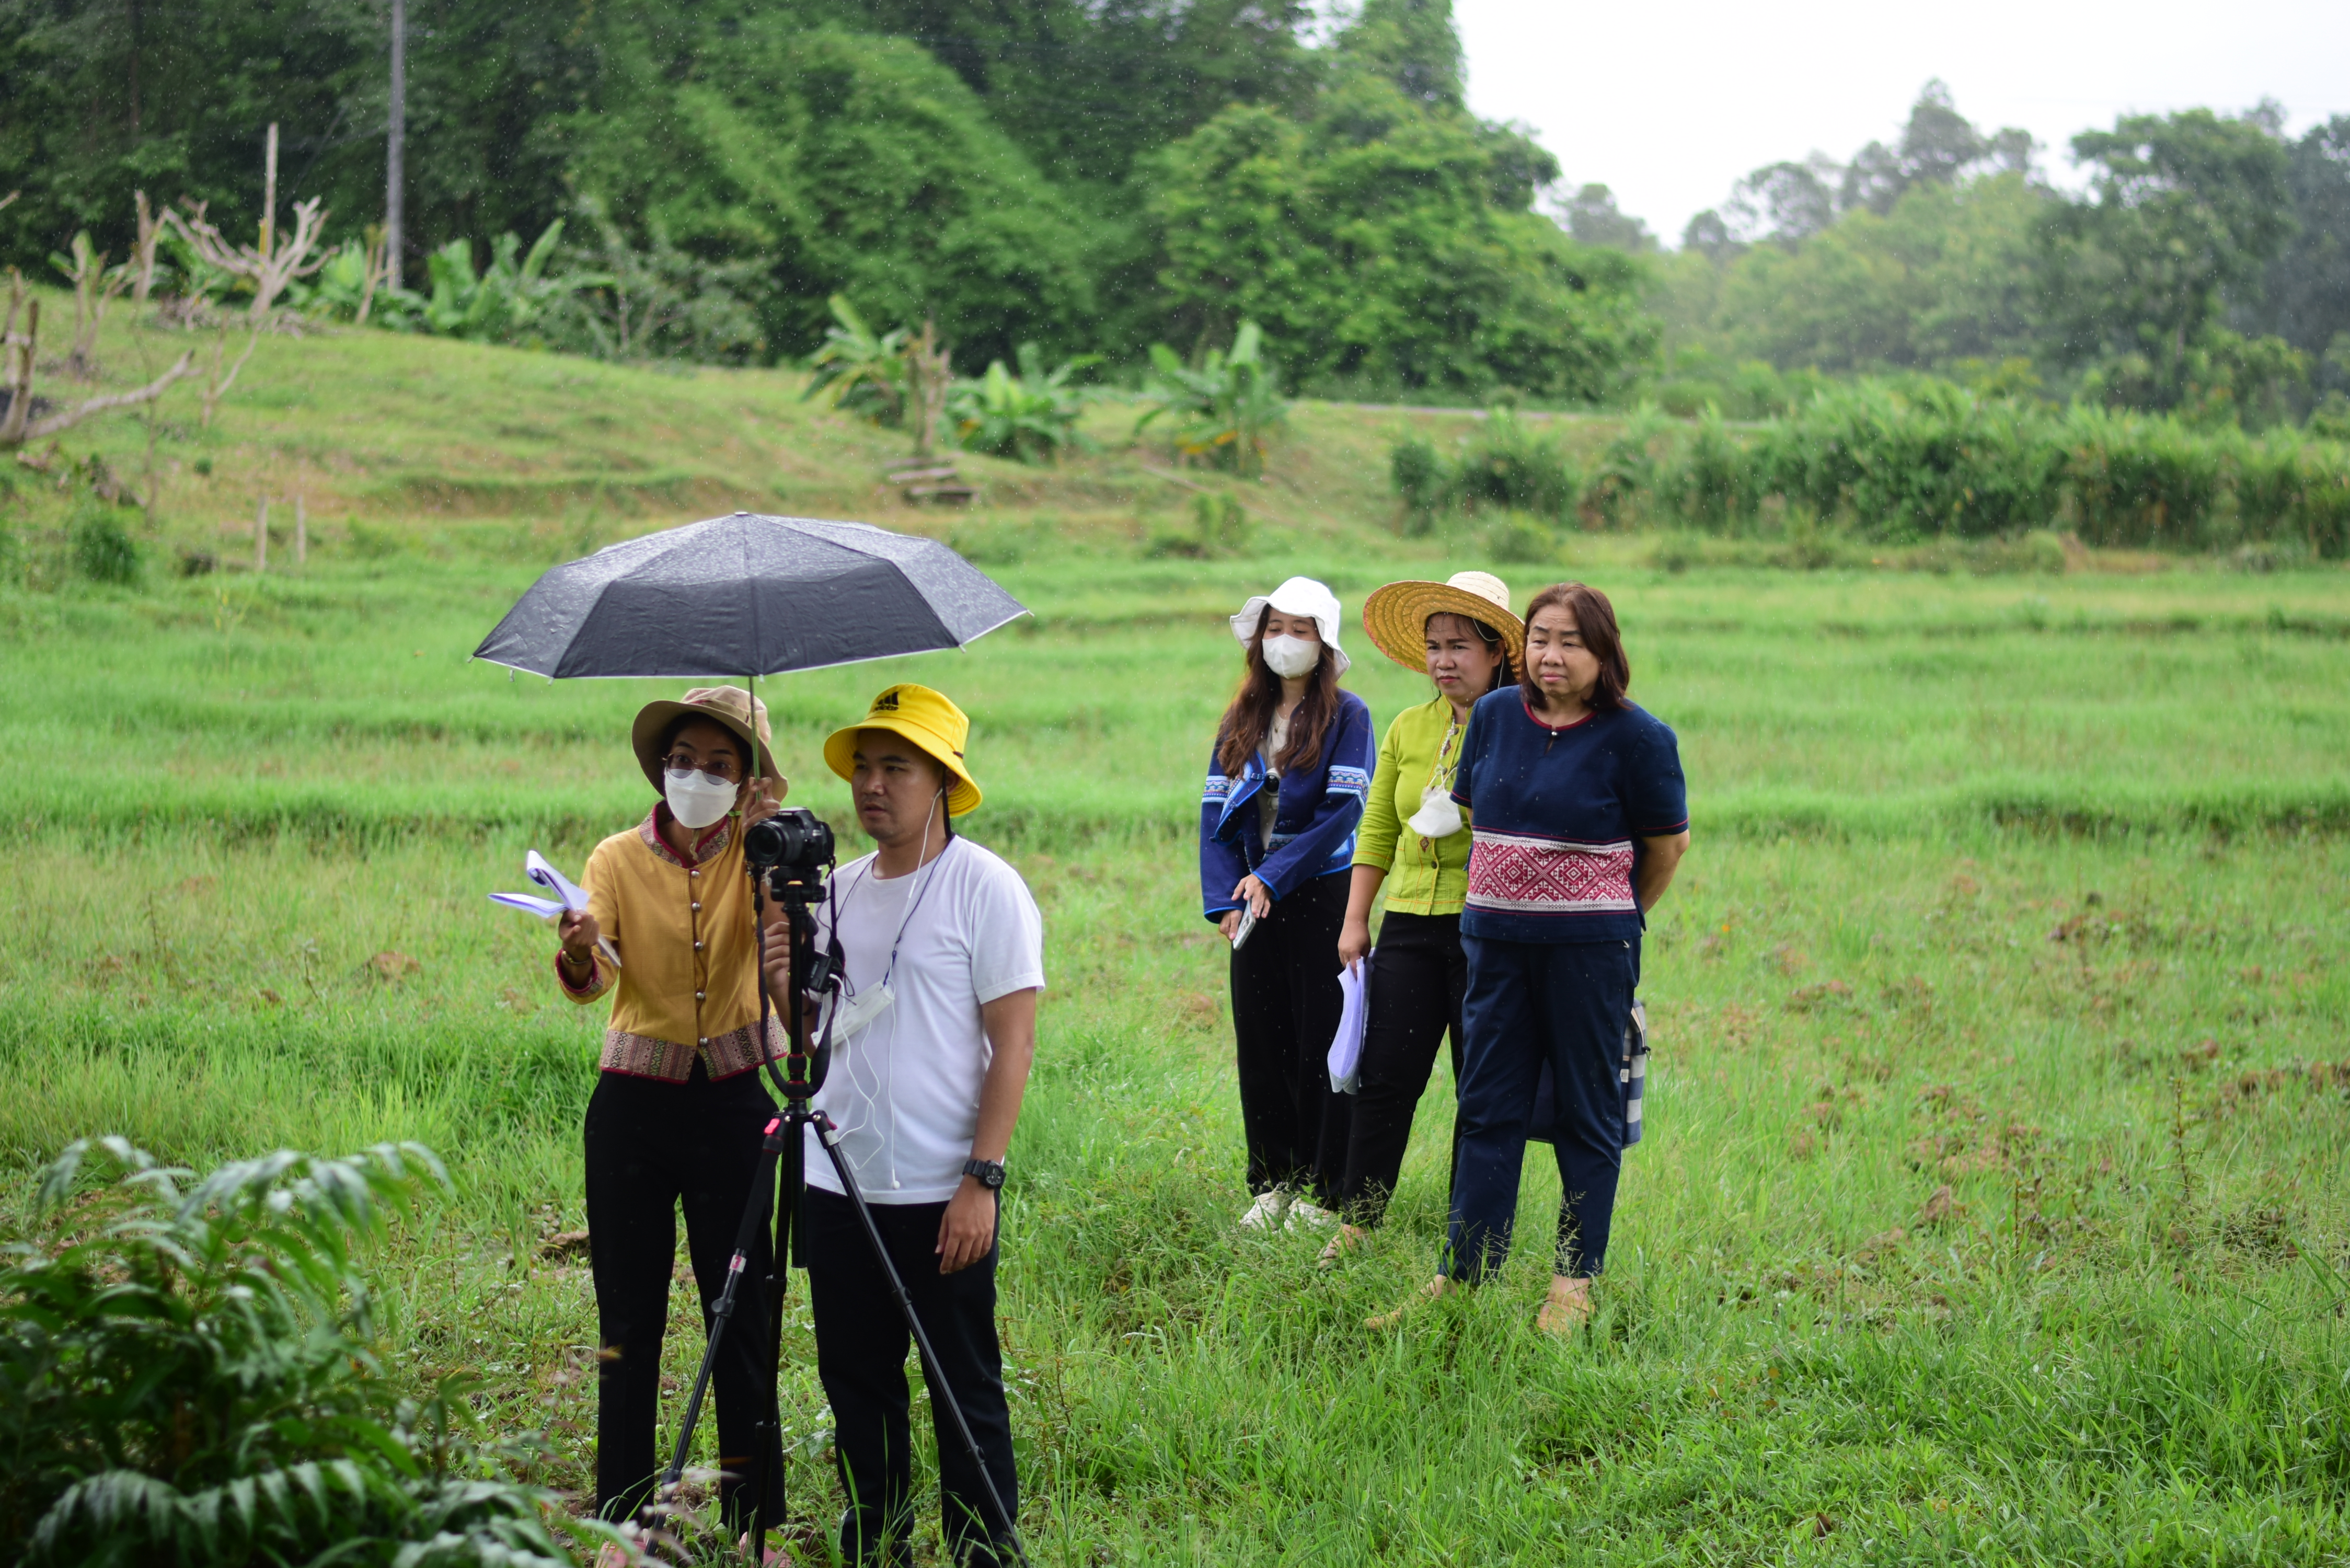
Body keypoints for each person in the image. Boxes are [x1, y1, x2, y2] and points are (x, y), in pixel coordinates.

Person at [762, 684, 1042, 1568]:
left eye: (897, 768)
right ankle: (877, 1546)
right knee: (856, 1384)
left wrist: (981, 1178)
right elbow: (810, 1044)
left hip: (941, 1189)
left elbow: (1014, 1044)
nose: (872, 785)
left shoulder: (985, 888)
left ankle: (982, 1551)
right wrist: (781, 981)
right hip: (836, 1182)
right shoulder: (835, 893)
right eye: (863, 768)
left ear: (945, 783)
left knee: (963, 1386)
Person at [1370, 582, 1690, 1334]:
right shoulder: (1492, 718)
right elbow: (1476, 814)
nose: (1552, 654)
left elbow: (1667, 847)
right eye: (1541, 638)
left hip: (1590, 957)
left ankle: (1572, 1286)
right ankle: (1463, 1275)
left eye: (1571, 641)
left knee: (1586, 1111)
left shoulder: (1639, 738)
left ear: (1604, 653)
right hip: (1494, 949)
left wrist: (1609, 916)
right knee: (1488, 1106)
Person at [552, 685, 789, 1540]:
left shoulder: (762, 858)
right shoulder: (615, 858)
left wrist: (769, 854)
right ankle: (622, 1522)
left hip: (735, 1106)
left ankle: (754, 1526)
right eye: (684, 760)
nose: (697, 777)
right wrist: (580, 949)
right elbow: (593, 979)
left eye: (721, 765)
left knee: (746, 1318)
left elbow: (789, 959)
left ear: (749, 781)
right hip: (634, 1113)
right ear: (661, 768)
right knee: (629, 1320)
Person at [1324, 571, 1524, 1263]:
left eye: (1460, 647)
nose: (1444, 660)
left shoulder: (1522, 727)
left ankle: (1471, 1235)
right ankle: (1358, 1222)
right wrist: (1356, 920)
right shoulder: (1409, 727)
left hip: (1488, 926)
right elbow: (1378, 828)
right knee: (1386, 1076)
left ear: (1496, 652)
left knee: (1481, 1086)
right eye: (1435, 646)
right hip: (1409, 922)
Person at [1199, 575, 1375, 1231]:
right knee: (1261, 1039)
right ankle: (1271, 1182)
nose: (1284, 641)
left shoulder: (1348, 716)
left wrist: (1272, 877)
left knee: (1322, 1042)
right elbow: (1214, 813)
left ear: (1323, 644)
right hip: (1252, 898)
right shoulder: (1240, 717)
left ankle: (1324, 1191)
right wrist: (1224, 899)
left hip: (1322, 892)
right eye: (1274, 628)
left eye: (1300, 630)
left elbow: (1342, 811)